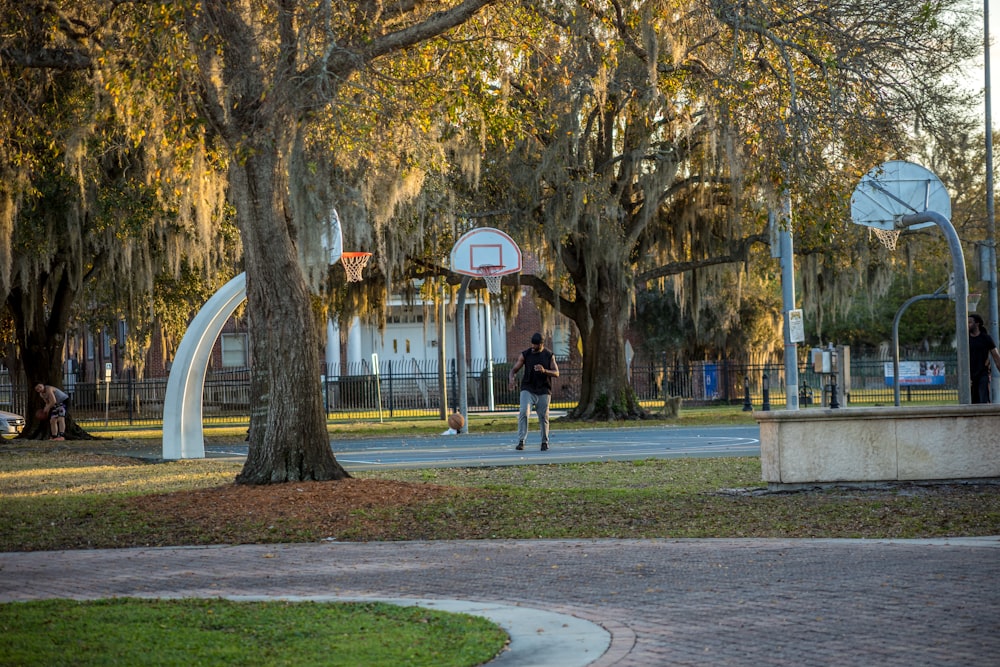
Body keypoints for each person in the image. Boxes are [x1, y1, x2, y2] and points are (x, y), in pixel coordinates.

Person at [508, 332, 559, 451]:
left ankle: (544, 442)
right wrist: (511, 379)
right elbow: (513, 370)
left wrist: (544, 370)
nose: (533, 347)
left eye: (536, 345)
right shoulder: (525, 355)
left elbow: (556, 373)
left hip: (544, 390)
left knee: (543, 416)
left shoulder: (549, 355)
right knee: (523, 412)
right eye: (532, 344)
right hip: (528, 388)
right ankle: (521, 441)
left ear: (541, 344)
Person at [968, 313, 1000, 403]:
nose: (968, 325)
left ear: (977, 324)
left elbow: (996, 357)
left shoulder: (986, 338)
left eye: (970, 322)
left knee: (983, 399)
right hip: (970, 375)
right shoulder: (966, 339)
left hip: (983, 374)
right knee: (972, 401)